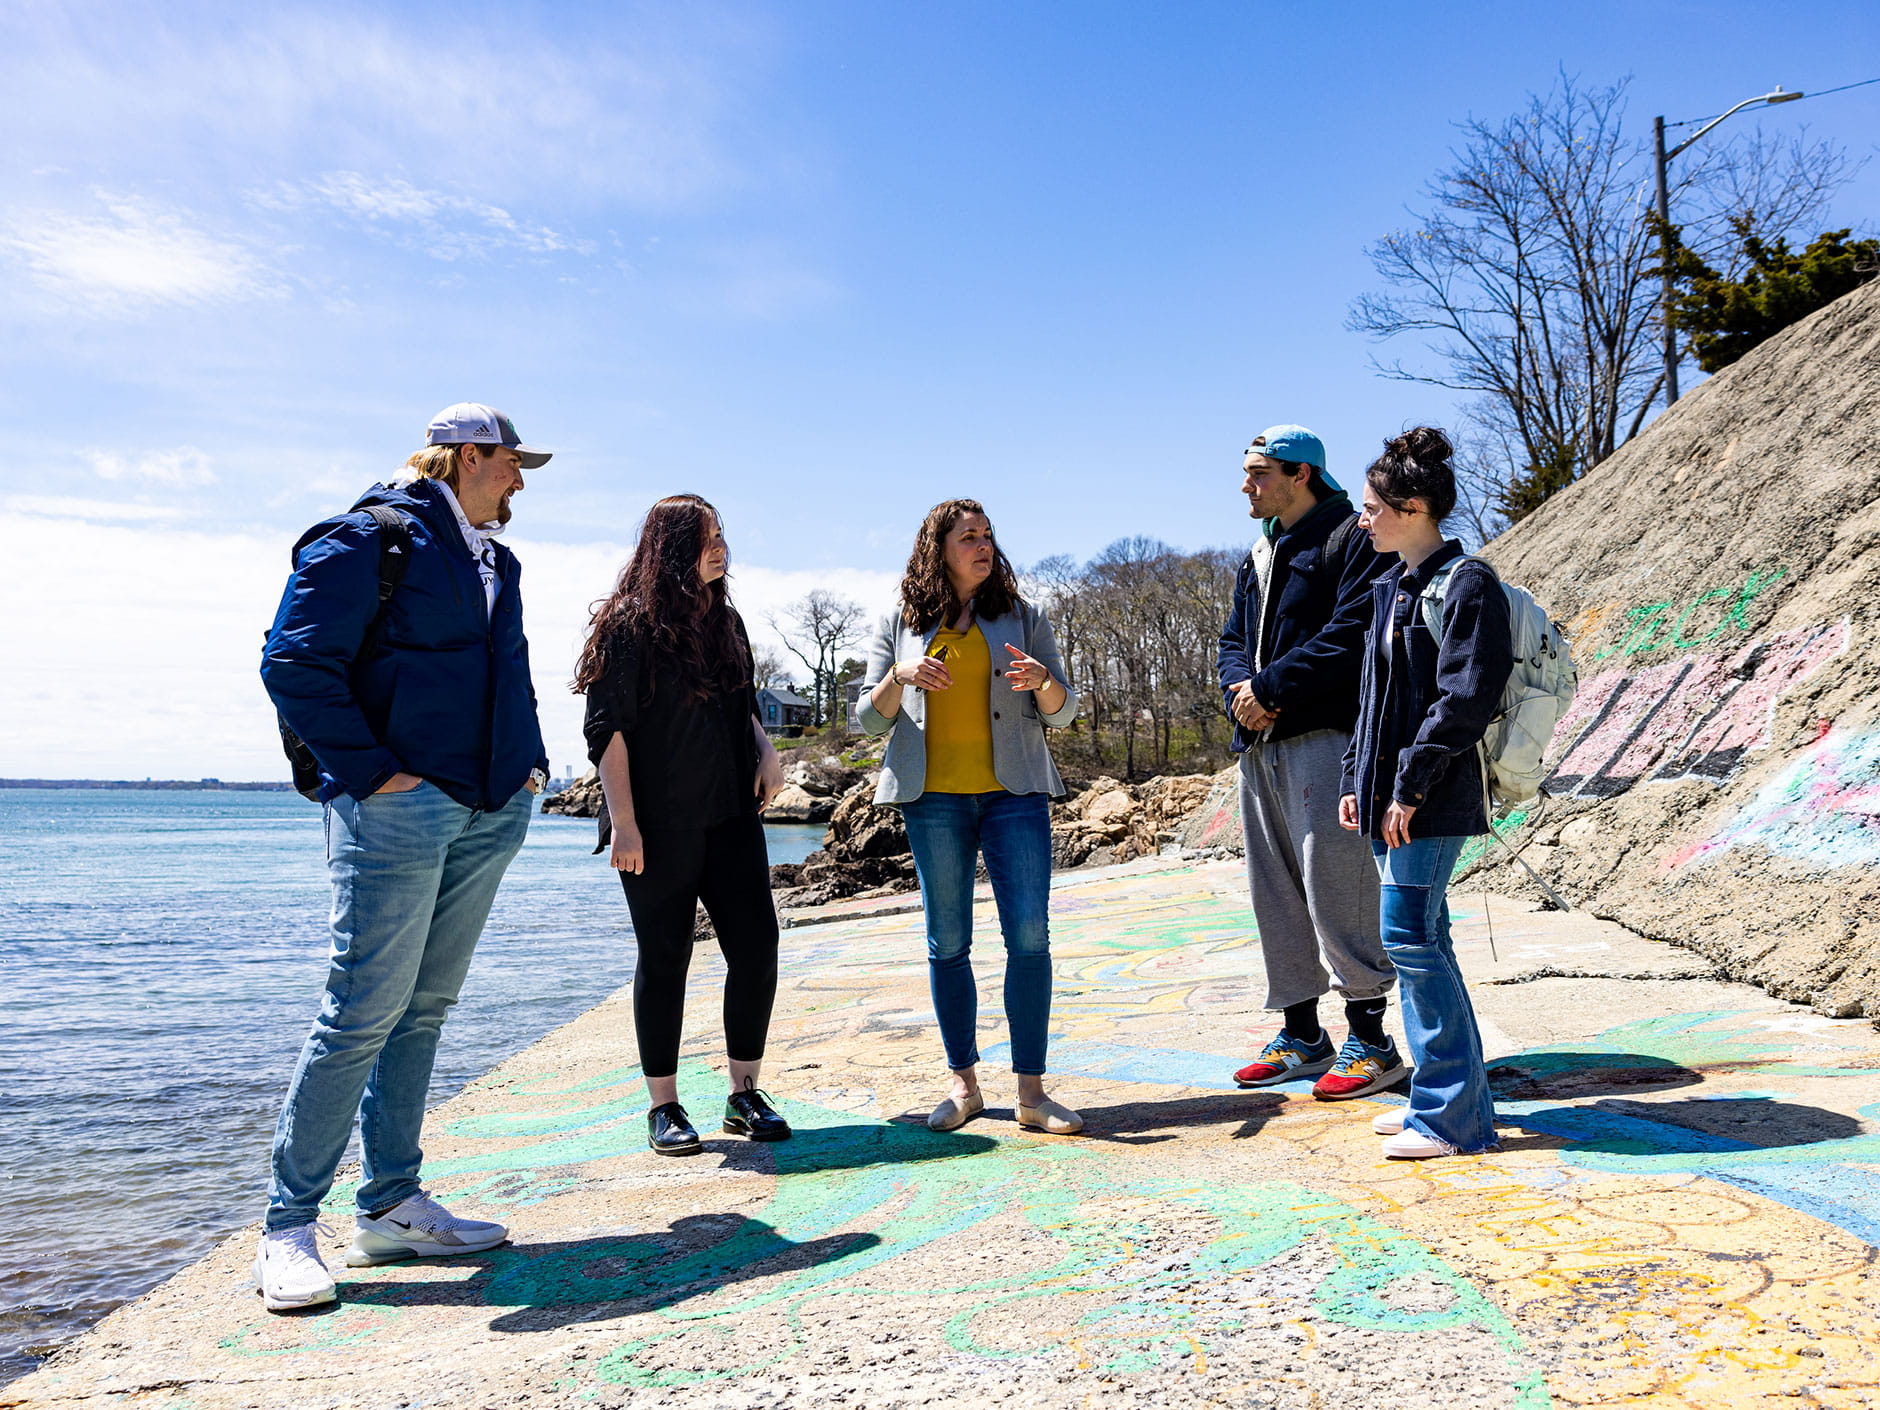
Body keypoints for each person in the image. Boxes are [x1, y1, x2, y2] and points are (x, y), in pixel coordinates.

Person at [256, 402, 553, 1311]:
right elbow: (294, 664)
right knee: (359, 1013)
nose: (519, 480)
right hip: (399, 808)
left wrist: (530, 769)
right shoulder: (365, 538)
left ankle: (391, 1207)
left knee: (422, 1012)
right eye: (509, 463)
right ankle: (285, 1229)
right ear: (466, 456)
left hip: (488, 805)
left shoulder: (498, 561)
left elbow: (511, 674)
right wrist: (376, 772)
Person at [859, 499, 1083, 1135]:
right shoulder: (898, 622)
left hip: (1016, 795)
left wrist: (1043, 680)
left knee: (1030, 937)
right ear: (940, 549)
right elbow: (869, 719)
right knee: (947, 942)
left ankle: (1033, 1095)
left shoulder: (1023, 615)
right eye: (968, 538)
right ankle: (964, 1086)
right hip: (931, 800)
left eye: (987, 536)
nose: (983, 547)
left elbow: (1063, 712)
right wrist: (899, 676)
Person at [576, 494, 789, 1157]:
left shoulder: (727, 622)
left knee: (756, 950)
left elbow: (739, 703)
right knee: (666, 959)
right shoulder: (626, 624)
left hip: (730, 815)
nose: (720, 547)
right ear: (672, 549)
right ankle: (663, 1107)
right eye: (706, 538)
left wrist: (767, 748)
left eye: (722, 534)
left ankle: (744, 1093)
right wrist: (626, 824)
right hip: (658, 824)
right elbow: (607, 730)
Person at [1339, 427, 1513, 1159]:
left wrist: (1407, 788)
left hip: (1429, 801)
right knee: (1422, 941)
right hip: (1388, 801)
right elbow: (1373, 700)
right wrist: (1357, 780)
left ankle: (1453, 1121)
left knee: (1410, 940)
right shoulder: (1390, 589)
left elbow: (1465, 698)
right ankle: (1443, 1097)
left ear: (1412, 508)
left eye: (1372, 506)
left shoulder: (1468, 583)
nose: (1362, 519)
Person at [1218, 425, 1404, 1100]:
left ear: (1301, 474)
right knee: (1277, 895)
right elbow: (1232, 642)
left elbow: (1355, 632)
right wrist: (1243, 694)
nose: (1246, 484)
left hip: (1327, 737)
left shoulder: (1349, 537)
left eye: (1259, 472)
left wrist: (1269, 691)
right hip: (1260, 748)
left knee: (1339, 888)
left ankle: (1373, 1039)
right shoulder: (1258, 554)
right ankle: (1303, 1033)